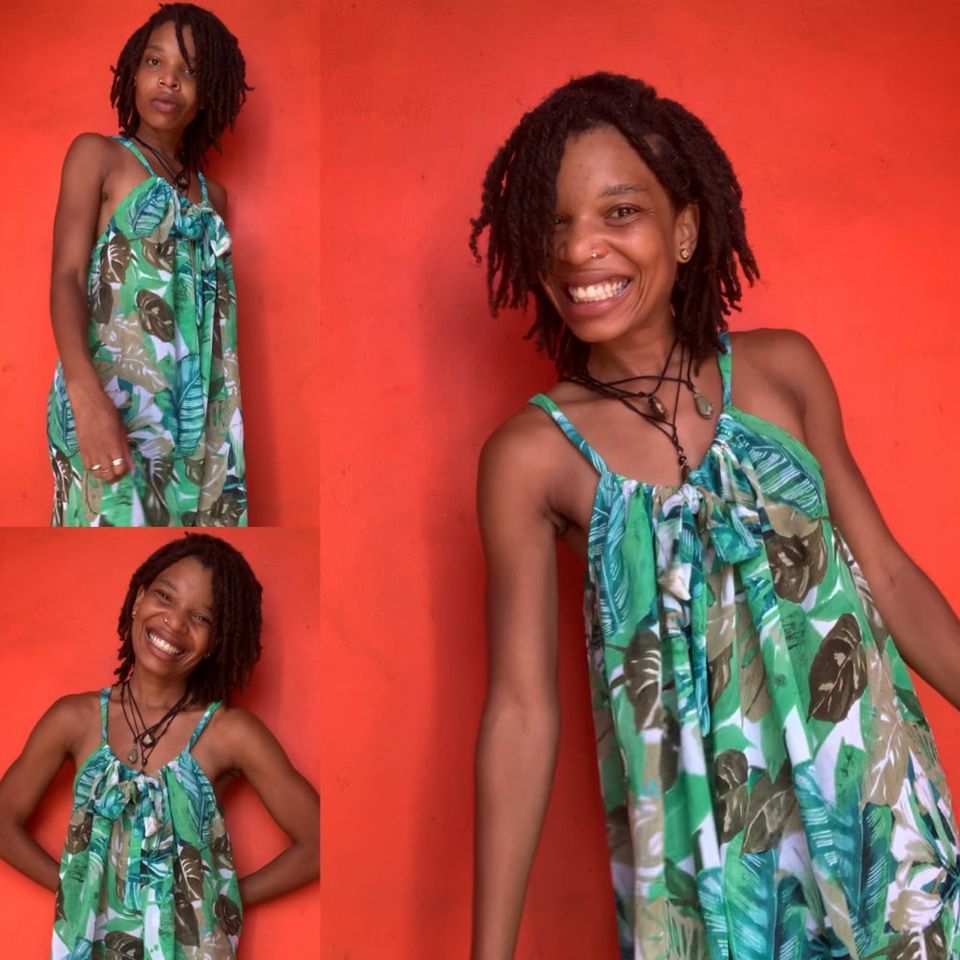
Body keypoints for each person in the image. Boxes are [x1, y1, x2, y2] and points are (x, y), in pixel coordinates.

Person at [469, 72, 960, 960]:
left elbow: (886, 576)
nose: (580, 249)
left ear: (687, 230)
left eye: (620, 212)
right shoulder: (532, 457)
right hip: (710, 877)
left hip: (879, 832)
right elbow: (520, 712)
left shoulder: (782, 374)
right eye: (555, 223)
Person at [0, 534, 319, 958]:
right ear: (138, 600)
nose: (175, 622)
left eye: (201, 617)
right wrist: (77, 885)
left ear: (217, 641)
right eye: (165, 596)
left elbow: (321, 843)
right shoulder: (74, 719)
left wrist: (221, 896)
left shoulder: (228, 733)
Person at [47, 4, 251, 526]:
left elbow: (210, 323)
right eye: (155, 62)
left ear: (209, 92)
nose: (168, 80)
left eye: (189, 71)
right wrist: (85, 397)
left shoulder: (213, 197)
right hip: (109, 400)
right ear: (133, 72)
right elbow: (67, 276)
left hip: (195, 420)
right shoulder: (98, 156)